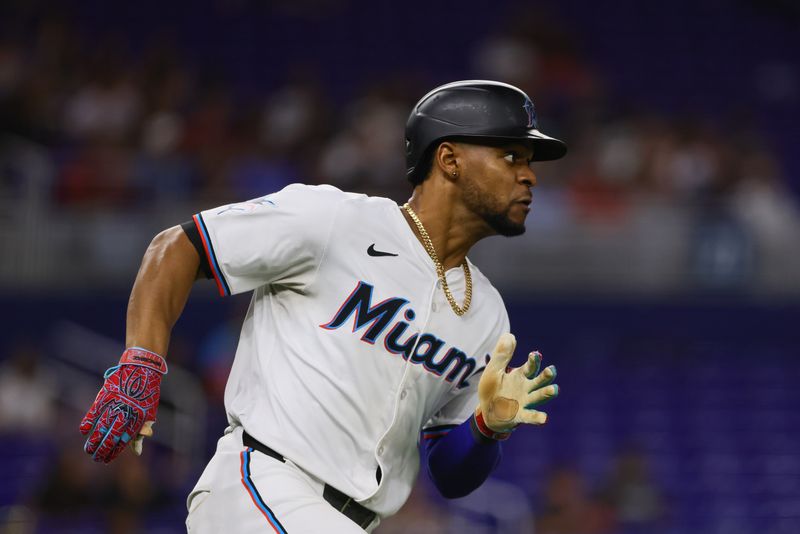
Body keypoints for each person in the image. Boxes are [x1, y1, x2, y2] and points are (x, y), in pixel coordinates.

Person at [80, 80, 568, 533]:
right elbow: (177, 247)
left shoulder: (487, 315)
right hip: (259, 488)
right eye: (511, 155)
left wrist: (484, 430)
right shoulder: (335, 221)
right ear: (449, 158)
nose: (529, 176)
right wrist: (141, 361)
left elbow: (450, 473)